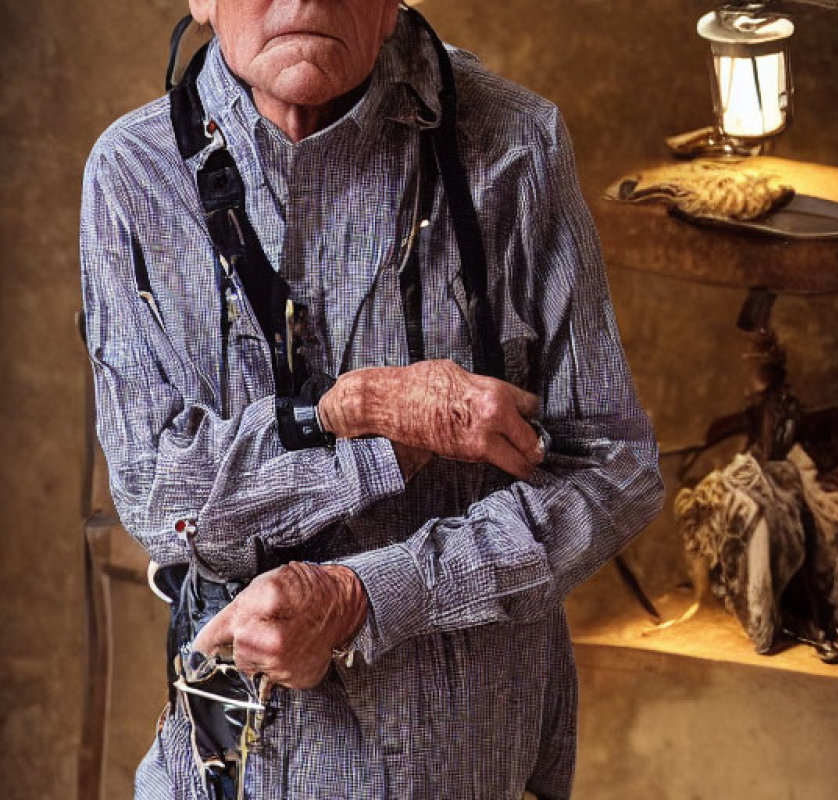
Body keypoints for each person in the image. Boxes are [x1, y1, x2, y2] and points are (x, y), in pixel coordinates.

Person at [80, 1, 664, 797]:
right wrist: (370, 418)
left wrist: (368, 598)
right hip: (230, 767)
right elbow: (157, 497)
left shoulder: (514, 146)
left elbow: (613, 467)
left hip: (463, 761)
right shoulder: (132, 174)